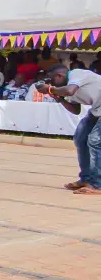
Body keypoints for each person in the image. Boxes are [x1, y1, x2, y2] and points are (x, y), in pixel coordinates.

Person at [37, 65, 101, 194]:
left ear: (59, 76)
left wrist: (50, 89)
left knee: (94, 141)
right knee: (80, 138)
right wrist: (59, 98)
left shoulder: (76, 74)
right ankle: (86, 178)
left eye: (52, 80)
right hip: (97, 110)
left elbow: (70, 91)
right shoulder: (65, 88)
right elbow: (75, 110)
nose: (51, 83)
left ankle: (97, 184)